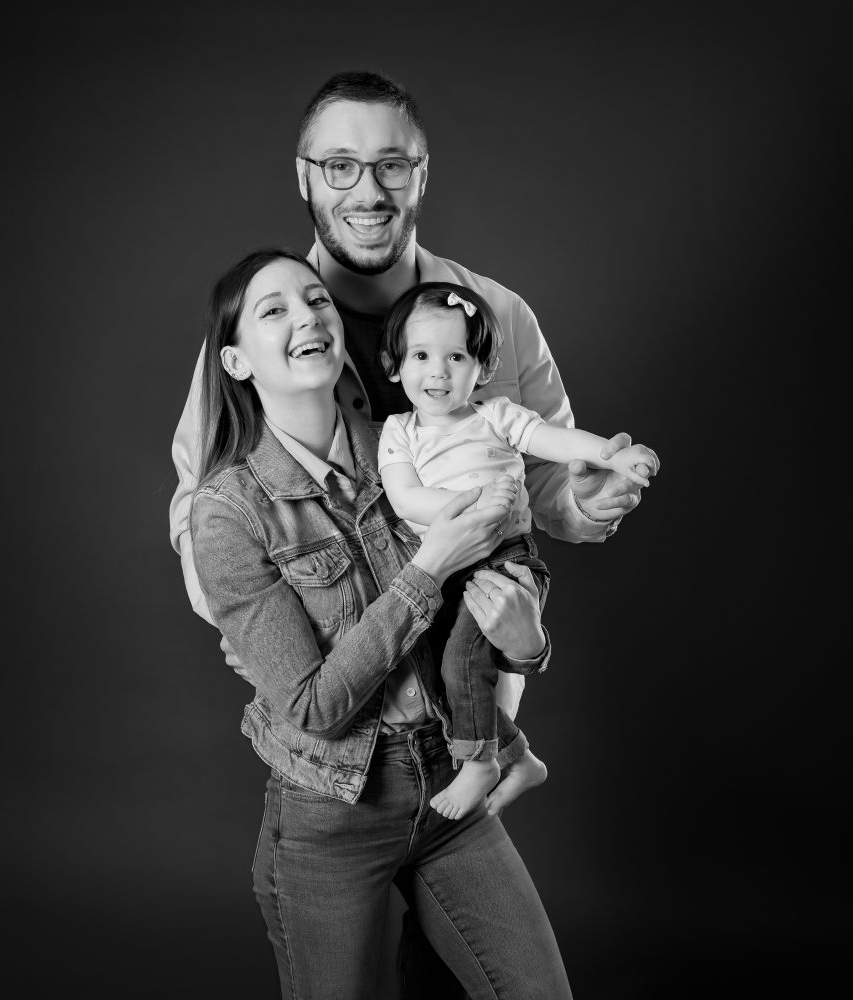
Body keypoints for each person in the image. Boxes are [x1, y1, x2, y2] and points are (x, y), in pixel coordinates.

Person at [170, 70, 652, 997]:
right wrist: (253, 622)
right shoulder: (263, 324)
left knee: (456, 972)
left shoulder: (495, 316)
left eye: (393, 164)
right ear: (305, 176)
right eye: (342, 165)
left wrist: (590, 502)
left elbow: (544, 489)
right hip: (346, 742)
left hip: (456, 710)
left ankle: (498, 753)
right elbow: (205, 501)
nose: (369, 189)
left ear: (423, 176)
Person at [191, 246, 573, 999]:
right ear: (237, 360)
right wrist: (427, 568)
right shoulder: (227, 513)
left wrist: (531, 648)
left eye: (317, 301)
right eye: (276, 311)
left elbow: (500, 569)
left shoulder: (416, 443)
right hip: (333, 811)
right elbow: (311, 707)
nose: (308, 316)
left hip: (450, 783)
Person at [377, 281, 660, 820]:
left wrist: (609, 455)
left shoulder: (494, 414)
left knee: (462, 662)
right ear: (395, 367)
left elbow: (553, 441)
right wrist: (477, 499)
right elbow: (405, 497)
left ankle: (481, 764)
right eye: (421, 355)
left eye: (455, 356)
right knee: (436, 679)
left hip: (505, 560)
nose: (437, 371)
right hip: (445, 568)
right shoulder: (399, 432)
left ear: (480, 370)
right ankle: (519, 757)